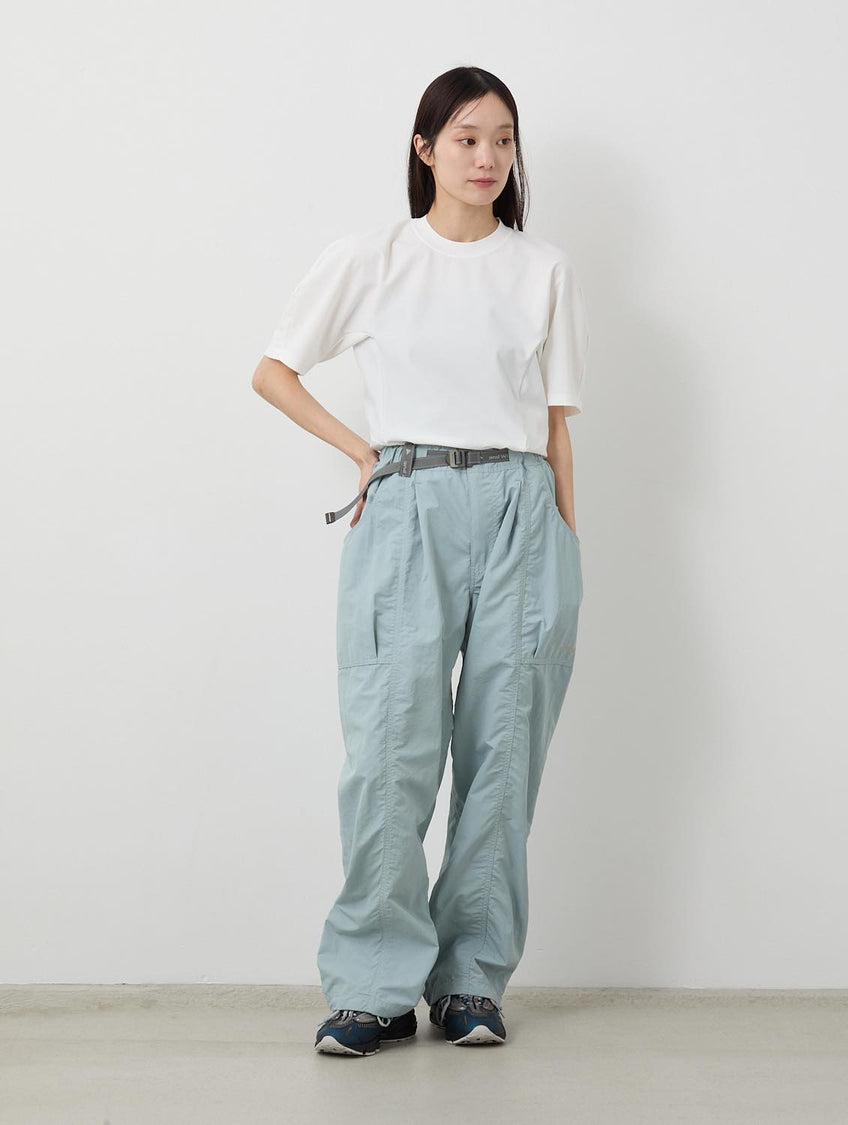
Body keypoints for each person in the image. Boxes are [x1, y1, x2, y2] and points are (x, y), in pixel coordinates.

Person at [252, 66, 589, 1056]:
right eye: (468, 138)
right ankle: (372, 985)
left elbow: (557, 424)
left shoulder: (543, 268)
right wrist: (364, 453)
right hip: (407, 503)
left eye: (503, 139)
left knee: (503, 750)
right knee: (391, 748)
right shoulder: (374, 257)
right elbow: (273, 369)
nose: (488, 157)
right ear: (425, 147)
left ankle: (471, 978)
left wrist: (568, 548)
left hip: (524, 506)